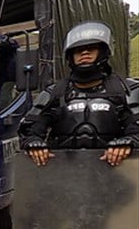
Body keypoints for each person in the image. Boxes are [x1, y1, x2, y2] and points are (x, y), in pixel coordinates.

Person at [18, 21, 139, 167]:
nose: (84, 53)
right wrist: (34, 144)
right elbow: (29, 130)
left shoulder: (127, 90)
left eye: (91, 48)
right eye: (78, 50)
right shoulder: (54, 93)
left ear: (104, 52)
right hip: (65, 176)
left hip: (117, 175)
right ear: (70, 56)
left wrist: (129, 143)